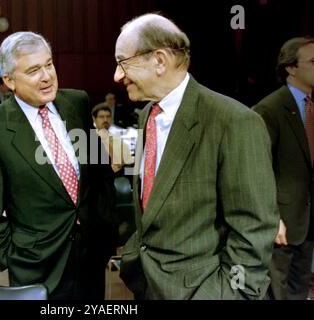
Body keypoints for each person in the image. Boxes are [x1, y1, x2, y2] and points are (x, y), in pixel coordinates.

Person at [113, 13, 279, 300]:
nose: (117, 75)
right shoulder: (146, 116)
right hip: (148, 285)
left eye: (122, 62)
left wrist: (229, 294)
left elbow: (254, 228)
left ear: (160, 60)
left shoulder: (234, 121)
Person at [0, 31, 113, 300]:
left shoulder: (77, 103)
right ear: (9, 80)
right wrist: (14, 257)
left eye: (49, 64)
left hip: (90, 254)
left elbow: (99, 171)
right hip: (35, 265)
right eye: (34, 70)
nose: (47, 76)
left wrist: (106, 231)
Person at [252, 37, 314, 300]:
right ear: (291, 67)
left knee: (300, 289)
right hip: (282, 223)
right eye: (313, 61)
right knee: (277, 292)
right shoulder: (270, 109)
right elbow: (258, 168)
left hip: (308, 219)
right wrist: (272, 217)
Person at [92, 103, 134, 173]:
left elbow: (131, 169)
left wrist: (121, 168)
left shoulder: (119, 142)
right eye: (101, 117)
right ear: (94, 119)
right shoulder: (89, 140)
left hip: (117, 180)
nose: (105, 120)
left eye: (108, 116)